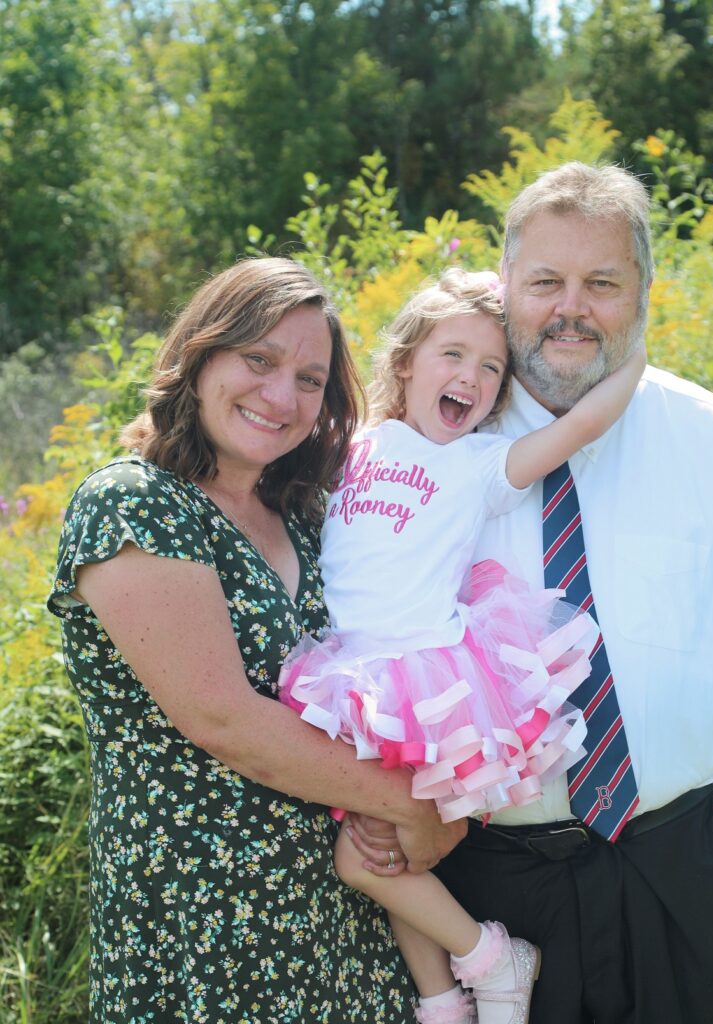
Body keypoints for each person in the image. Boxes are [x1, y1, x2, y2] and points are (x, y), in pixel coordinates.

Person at [421, 162, 713, 1024]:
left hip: (687, 872)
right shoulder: (432, 451)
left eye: (603, 283)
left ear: (646, 291)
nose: (569, 307)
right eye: (545, 280)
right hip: (489, 897)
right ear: (504, 285)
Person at [47, 257, 466, 1024]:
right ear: (201, 356)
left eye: (311, 379)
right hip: (205, 921)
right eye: (260, 360)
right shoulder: (135, 505)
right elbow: (223, 719)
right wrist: (418, 807)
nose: (283, 396)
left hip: (344, 915)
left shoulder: (308, 514)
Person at [277, 269, 644, 1024]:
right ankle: (444, 999)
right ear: (407, 361)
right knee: (386, 855)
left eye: (489, 368)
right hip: (353, 688)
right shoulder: (352, 444)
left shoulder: (476, 466)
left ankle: (489, 959)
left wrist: (632, 353)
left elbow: (577, 428)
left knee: (364, 858)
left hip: (429, 690)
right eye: (453, 355)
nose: (470, 378)